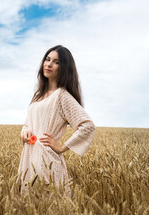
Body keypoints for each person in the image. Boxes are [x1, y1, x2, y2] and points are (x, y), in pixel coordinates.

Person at [17, 45, 96, 196]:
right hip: (29, 158)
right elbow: (28, 122)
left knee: (49, 205)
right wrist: (25, 131)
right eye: (47, 59)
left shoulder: (62, 96)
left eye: (56, 62)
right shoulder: (38, 95)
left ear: (64, 68)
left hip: (47, 160)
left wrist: (61, 148)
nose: (49, 64)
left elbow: (88, 125)